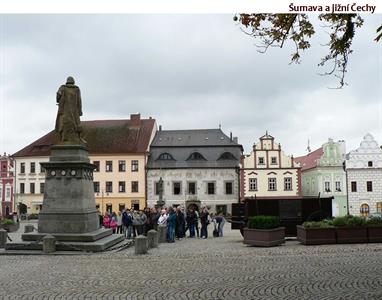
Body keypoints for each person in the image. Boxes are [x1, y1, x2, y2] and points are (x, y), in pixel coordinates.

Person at [55, 76, 84, 144]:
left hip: (64, 110)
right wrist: (80, 111)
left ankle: (63, 138)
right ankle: (76, 138)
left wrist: (58, 100)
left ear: (67, 81)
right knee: (75, 123)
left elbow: (58, 95)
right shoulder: (76, 89)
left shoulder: (62, 87)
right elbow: (79, 100)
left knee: (62, 123)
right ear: (73, 82)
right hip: (74, 111)